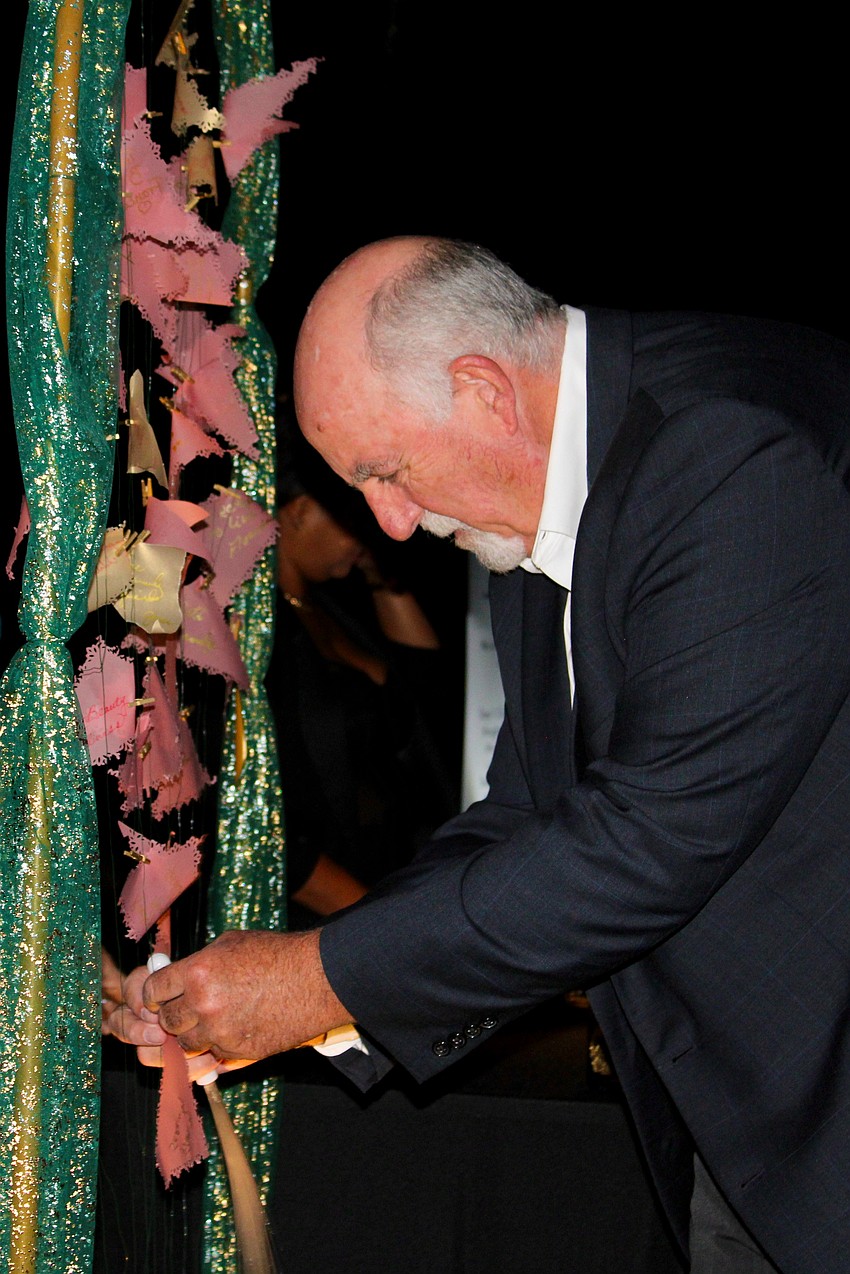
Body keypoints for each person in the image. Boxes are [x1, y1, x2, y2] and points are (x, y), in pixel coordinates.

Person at [110, 237, 850, 1273]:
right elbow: (529, 815)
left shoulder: (731, 449)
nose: (391, 523)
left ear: (483, 390)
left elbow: (647, 839)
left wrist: (321, 978)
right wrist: (299, 1002)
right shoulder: (544, 495)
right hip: (741, 1122)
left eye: (386, 469)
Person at [269, 431, 457, 919]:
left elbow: (425, 686)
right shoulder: (258, 636)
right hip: (338, 921)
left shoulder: (334, 607)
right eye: (357, 514)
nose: (378, 524)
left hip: (402, 883)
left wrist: (376, 564)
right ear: (300, 510)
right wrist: (386, 930)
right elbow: (279, 833)